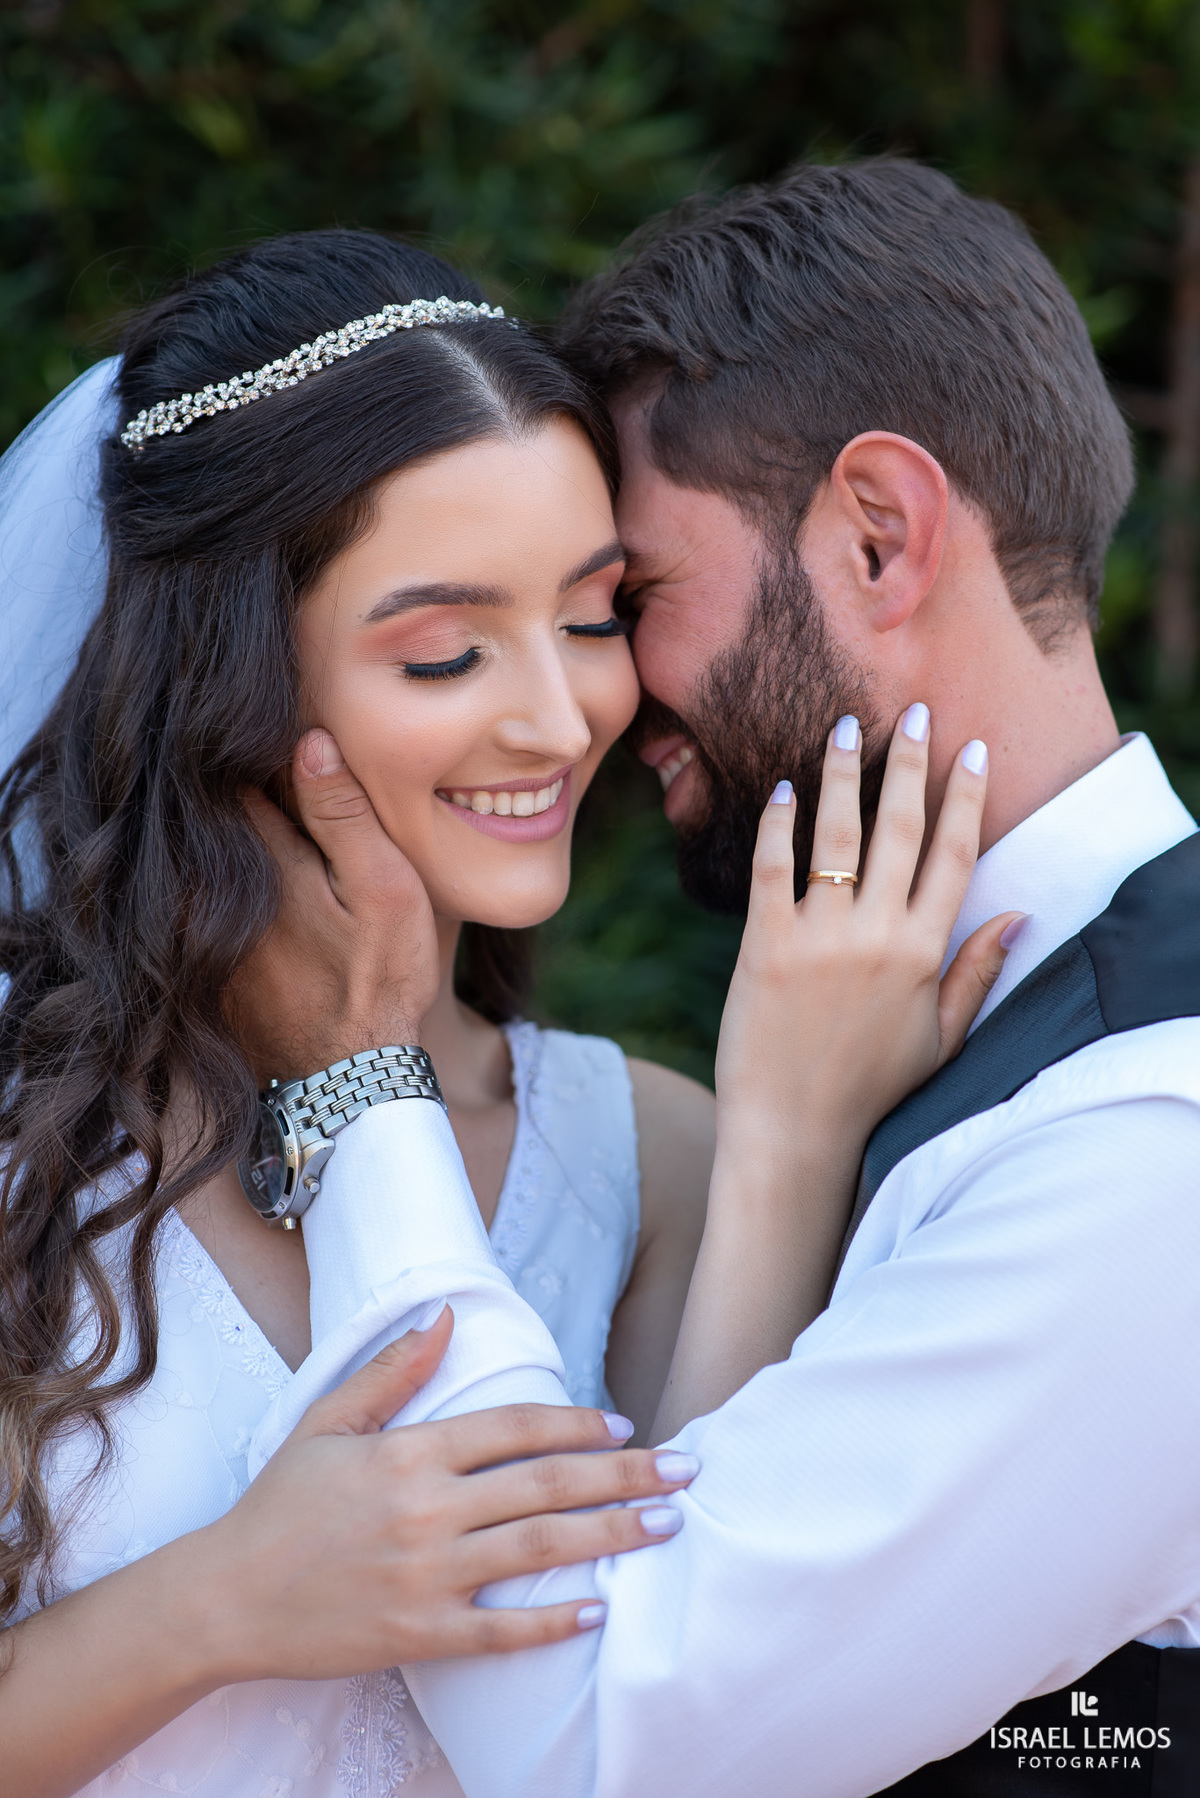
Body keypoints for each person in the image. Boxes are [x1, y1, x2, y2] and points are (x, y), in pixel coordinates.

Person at [221, 161, 1200, 1797]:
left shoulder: (1148, 1142)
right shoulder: (942, 1034)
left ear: (880, 535)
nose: (599, 706)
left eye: (632, 602)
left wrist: (357, 1072)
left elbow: (603, 1738)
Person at [0, 226, 1006, 1797]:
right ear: (229, 679)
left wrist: (790, 1138)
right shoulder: (25, 1141)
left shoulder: (646, 1151)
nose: (559, 713)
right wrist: (220, 1603)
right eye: (449, 647)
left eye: (595, 615)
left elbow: (689, 1729)